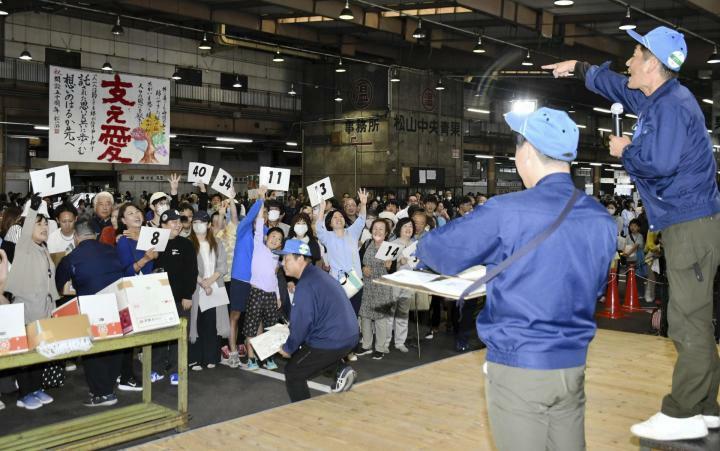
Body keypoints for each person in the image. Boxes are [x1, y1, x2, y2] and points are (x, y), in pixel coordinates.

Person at [544, 26, 720, 441]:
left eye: (635, 55)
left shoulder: (672, 106)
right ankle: (706, 407)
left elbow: (659, 163)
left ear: (653, 64)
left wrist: (626, 152)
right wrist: (580, 68)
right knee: (693, 317)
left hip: (689, 223)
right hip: (687, 220)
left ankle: (682, 411)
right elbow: (619, 87)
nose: (628, 62)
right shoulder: (659, 97)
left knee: (686, 320)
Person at [416, 108, 616, 450]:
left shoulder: (507, 209)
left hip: (521, 363)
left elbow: (438, 250)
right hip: (573, 364)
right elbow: (594, 288)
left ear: (527, 152)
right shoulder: (601, 219)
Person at [276, 239, 359, 402]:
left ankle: (303, 412)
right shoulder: (319, 275)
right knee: (309, 351)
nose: (282, 263)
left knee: (294, 371)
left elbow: (302, 323)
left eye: (286, 259)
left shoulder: (306, 285)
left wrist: (288, 348)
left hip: (333, 339)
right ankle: (341, 369)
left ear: (300, 259)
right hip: (350, 335)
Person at [54, 219, 124, 406]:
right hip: (115, 305)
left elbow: (60, 286)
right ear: (95, 235)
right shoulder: (111, 250)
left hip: (90, 309)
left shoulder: (71, 258)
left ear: (76, 237)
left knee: (93, 352)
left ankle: (102, 394)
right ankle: (110, 387)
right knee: (114, 347)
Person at [5, 195, 61, 410]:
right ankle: (25, 393)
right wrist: (34, 209)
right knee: (27, 353)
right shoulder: (24, 246)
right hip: (27, 308)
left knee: (40, 351)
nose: (44, 227)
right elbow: (28, 226)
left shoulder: (42, 248)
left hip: (45, 308)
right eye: (40, 224)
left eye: (46, 223)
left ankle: (37, 388)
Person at [115, 203, 158, 391]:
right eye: (130, 214)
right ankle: (125, 376)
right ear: (123, 221)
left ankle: (127, 373)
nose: (136, 215)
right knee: (129, 336)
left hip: (147, 291)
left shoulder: (149, 235)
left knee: (142, 334)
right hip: (129, 292)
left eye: (137, 212)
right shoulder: (123, 241)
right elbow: (125, 271)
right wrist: (146, 259)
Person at [152, 209, 198, 384]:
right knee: (159, 335)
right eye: (172, 222)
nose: (177, 224)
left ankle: (177, 369)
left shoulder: (186, 245)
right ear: (163, 225)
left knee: (180, 335)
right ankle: (156, 368)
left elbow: (192, 271)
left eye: (179, 221)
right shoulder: (155, 244)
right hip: (158, 299)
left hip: (180, 298)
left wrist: (188, 295)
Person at [226, 190, 265, 368]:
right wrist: (260, 199)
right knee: (235, 315)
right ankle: (233, 351)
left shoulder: (263, 234)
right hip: (240, 278)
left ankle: (256, 352)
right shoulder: (243, 229)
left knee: (256, 317)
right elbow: (250, 217)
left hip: (257, 280)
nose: (258, 219)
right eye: (256, 216)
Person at [245, 195, 284, 370]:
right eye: (273, 236)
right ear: (267, 237)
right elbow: (260, 223)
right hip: (256, 293)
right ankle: (251, 358)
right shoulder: (259, 245)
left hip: (270, 295)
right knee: (251, 327)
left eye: (278, 240)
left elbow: (274, 278)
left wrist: (277, 296)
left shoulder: (277, 256)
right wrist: (261, 200)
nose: (275, 240)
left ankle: (267, 357)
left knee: (270, 328)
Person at [315, 189, 369, 316]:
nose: (338, 218)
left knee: (353, 314)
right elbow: (319, 227)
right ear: (330, 223)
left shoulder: (352, 232)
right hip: (337, 281)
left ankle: (354, 335)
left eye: (340, 216)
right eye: (335, 217)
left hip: (355, 279)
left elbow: (361, 219)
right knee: (339, 314)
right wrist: (322, 208)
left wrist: (364, 204)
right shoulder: (327, 236)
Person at [189, 211, 229, 371]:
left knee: (212, 323)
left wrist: (210, 282)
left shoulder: (217, 242)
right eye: (195, 222)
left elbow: (222, 266)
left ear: (209, 225)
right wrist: (203, 284)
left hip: (215, 287)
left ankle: (212, 356)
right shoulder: (188, 243)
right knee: (196, 322)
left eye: (202, 222)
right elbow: (189, 267)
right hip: (196, 288)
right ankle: (196, 359)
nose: (199, 225)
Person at [357, 219, 394, 360]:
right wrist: (362, 268)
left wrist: (390, 266)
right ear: (371, 230)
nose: (377, 231)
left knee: (380, 319)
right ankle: (366, 345)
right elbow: (358, 261)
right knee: (365, 316)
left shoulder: (390, 248)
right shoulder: (366, 244)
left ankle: (380, 347)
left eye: (381, 229)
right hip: (367, 285)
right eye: (375, 228)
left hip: (383, 286)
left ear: (386, 233)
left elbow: (394, 270)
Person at [387, 218, 417, 353]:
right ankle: (385, 341)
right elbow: (386, 267)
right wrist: (399, 262)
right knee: (389, 313)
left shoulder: (415, 245)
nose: (408, 228)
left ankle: (400, 342)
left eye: (410, 226)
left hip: (409, 282)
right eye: (405, 226)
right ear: (399, 228)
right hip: (394, 283)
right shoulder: (393, 244)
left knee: (403, 313)